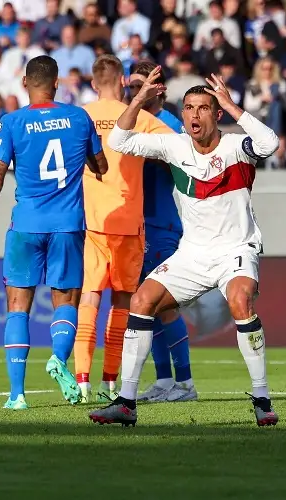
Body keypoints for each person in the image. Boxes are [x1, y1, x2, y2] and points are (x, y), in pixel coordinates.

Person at [89, 70, 280, 427]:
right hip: (192, 253)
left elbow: (270, 143)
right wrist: (139, 99)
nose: (194, 115)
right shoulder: (173, 145)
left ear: (216, 113)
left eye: (203, 108)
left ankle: (262, 398)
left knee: (241, 300)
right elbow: (119, 140)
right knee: (142, 301)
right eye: (189, 108)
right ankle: (126, 403)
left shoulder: (237, 146)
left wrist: (233, 106)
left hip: (235, 249)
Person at [0, 55, 108, 410]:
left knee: (18, 308)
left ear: (25, 83)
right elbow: (101, 165)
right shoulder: (80, 117)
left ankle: (16, 395)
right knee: (66, 301)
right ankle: (58, 360)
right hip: (68, 225)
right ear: (57, 83)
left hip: (26, 225)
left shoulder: (12, 122)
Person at [73, 55, 172, 403]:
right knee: (122, 302)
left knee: (88, 296)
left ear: (93, 81)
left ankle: (81, 379)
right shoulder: (140, 118)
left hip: (90, 221)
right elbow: (179, 146)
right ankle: (109, 381)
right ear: (121, 80)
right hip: (129, 221)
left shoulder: (78, 115)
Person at [126, 60, 196, 403]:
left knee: (166, 305)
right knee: (145, 305)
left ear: (160, 89)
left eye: (141, 83)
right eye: (131, 84)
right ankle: (165, 380)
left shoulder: (169, 127)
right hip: (137, 226)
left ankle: (185, 383)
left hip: (162, 223)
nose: (133, 90)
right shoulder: (131, 123)